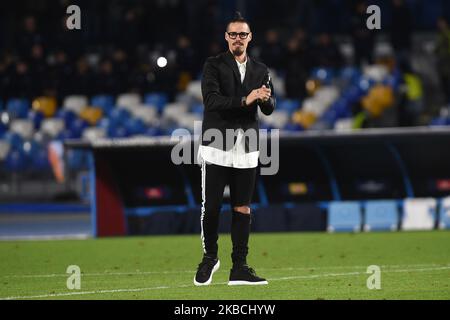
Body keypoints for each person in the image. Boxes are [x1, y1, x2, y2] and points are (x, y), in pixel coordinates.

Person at [194, 12, 275, 286]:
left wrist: (264, 99)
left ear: (250, 37)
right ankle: (209, 258)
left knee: (242, 208)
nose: (238, 38)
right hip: (217, 144)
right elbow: (211, 101)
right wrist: (246, 99)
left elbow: (269, 107)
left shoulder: (261, 70)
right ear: (226, 37)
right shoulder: (213, 65)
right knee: (213, 206)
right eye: (233, 34)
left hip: (247, 147)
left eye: (243, 34)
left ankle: (239, 267)